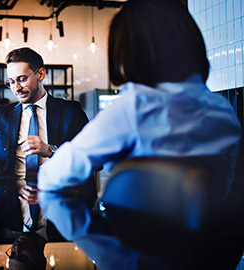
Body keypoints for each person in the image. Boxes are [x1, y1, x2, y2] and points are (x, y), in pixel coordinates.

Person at [37, 0, 242, 269]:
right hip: (208, 257)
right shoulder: (224, 113)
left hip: (137, 254)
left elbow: (54, 177)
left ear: (129, 54)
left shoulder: (135, 107)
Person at [0, 47, 94, 239]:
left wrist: (50, 150)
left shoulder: (70, 112)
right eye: (11, 82)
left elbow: (93, 157)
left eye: (21, 79)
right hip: (10, 188)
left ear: (41, 74)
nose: (16, 88)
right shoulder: (2, 115)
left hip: (60, 191)